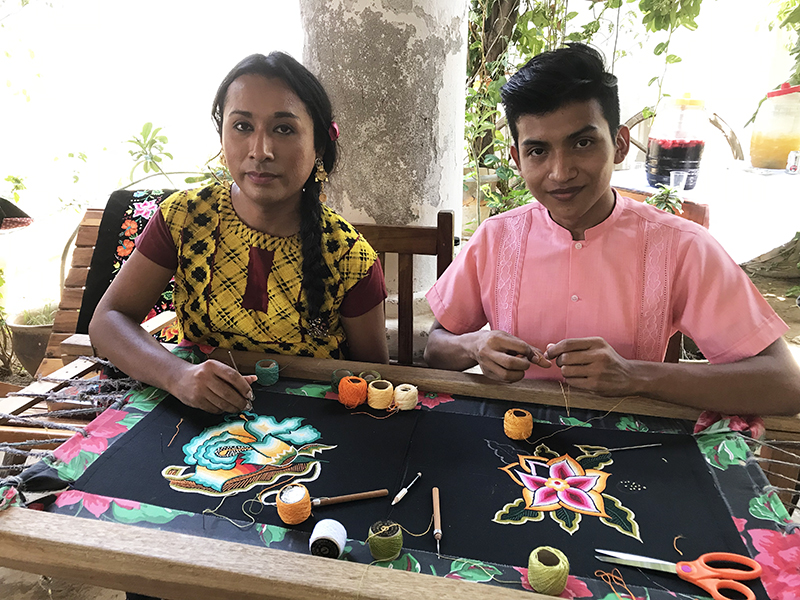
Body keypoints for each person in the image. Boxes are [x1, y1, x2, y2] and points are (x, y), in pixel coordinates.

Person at [424, 43, 800, 416]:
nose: (560, 172)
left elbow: (783, 384)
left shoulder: (681, 247)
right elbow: (436, 347)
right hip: (508, 441)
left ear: (619, 145)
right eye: (538, 151)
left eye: (582, 143)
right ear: (517, 159)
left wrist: (635, 375)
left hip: (633, 450)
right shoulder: (495, 238)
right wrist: (475, 346)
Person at [90, 52, 389, 415]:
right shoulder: (185, 218)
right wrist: (178, 376)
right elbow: (108, 321)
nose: (260, 151)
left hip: (313, 433)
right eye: (243, 126)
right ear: (222, 135)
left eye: (284, 129)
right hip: (190, 416)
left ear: (319, 146)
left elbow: (373, 381)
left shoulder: (347, 255)